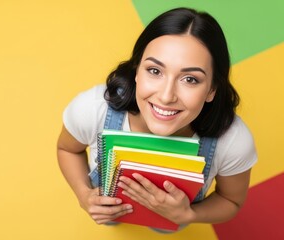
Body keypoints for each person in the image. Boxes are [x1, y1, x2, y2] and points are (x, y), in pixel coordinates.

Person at [56, 7, 257, 230]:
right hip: (109, 210)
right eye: (154, 71)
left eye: (190, 79)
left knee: (163, 228)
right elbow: (68, 149)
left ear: (212, 89)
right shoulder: (94, 108)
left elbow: (231, 200)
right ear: (136, 70)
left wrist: (188, 214)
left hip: (173, 221)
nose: (166, 96)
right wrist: (84, 195)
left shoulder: (233, 141)